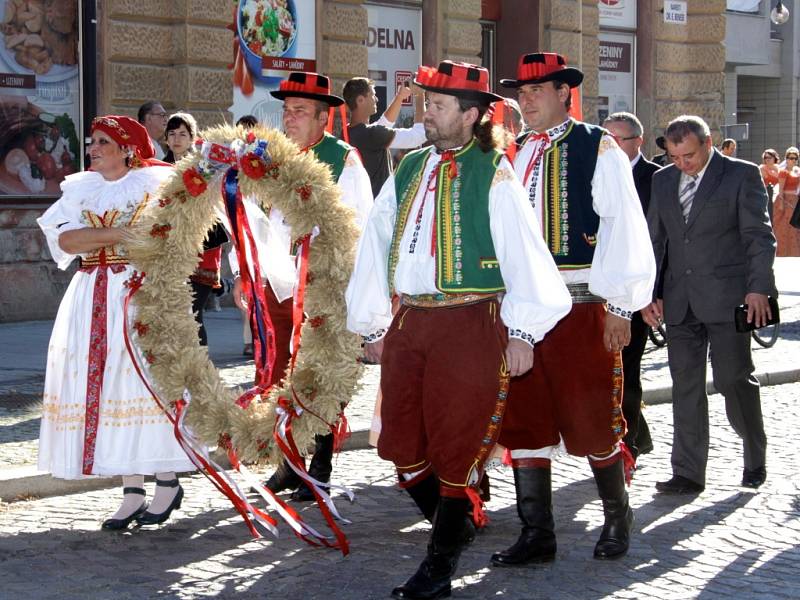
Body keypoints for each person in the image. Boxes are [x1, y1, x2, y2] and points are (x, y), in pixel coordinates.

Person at [346, 59, 571, 600]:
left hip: (473, 322)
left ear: (471, 115)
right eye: (427, 103)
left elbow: (525, 253)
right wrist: (372, 322)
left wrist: (523, 332)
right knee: (400, 441)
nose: (428, 113)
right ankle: (459, 521)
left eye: (439, 105)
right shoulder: (409, 167)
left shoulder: (494, 172)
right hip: (410, 321)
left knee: (457, 446)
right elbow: (375, 243)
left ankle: (438, 566)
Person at [492, 52, 655, 567]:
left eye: (538, 89)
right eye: (522, 90)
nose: (527, 98)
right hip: (520, 310)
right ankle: (537, 532)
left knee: (592, 418)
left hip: (581, 304)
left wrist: (622, 307)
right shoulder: (510, 153)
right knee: (525, 419)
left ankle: (616, 515)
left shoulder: (596, 146)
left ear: (566, 92)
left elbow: (624, 225)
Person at [37, 116, 193, 530]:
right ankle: (132, 490)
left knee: (141, 380)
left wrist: (101, 235)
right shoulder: (80, 188)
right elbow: (67, 242)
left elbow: (163, 237)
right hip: (90, 292)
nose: (93, 148)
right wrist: (120, 232)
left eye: (102, 142)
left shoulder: (153, 185)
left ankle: (166, 479)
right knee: (104, 385)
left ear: (126, 148)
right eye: (92, 142)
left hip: (136, 290)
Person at [235, 72, 372, 502]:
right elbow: (254, 220)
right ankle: (288, 463)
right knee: (278, 373)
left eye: (298, 112)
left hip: (321, 287)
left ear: (321, 117)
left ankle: (321, 464)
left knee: (321, 375)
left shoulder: (342, 160)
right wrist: (246, 271)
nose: (289, 119)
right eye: (286, 111)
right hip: (276, 284)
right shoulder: (273, 159)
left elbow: (360, 227)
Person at [642, 115, 776, 494]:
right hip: (680, 301)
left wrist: (758, 289)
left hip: (731, 299)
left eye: (688, 155)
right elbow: (656, 240)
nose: (682, 164)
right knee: (685, 385)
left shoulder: (741, 175)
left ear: (708, 142)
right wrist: (648, 293)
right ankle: (687, 472)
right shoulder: (662, 180)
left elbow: (759, 237)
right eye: (674, 157)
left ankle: (755, 455)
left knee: (734, 380)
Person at [602, 111, 660, 463]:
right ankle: (637, 432)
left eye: (617, 140)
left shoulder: (655, 178)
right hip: (601, 291)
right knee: (604, 371)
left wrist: (650, 294)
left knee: (628, 370)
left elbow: (658, 239)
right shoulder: (596, 172)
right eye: (604, 139)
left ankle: (629, 446)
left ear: (638, 141)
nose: (609, 147)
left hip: (637, 292)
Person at [163, 111, 228, 346]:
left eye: (183, 133)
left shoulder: (205, 168)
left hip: (202, 249)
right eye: (172, 133)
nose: (177, 139)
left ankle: (199, 367)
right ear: (166, 139)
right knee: (173, 313)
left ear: (192, 138)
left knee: (193, 312)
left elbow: (215, 208)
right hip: (170, 249)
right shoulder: (159, 169)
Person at [343, 77, 427, 196]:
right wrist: (420, 95)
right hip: (377, 208)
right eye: (372, 95)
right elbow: (419, 136)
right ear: (360, 100)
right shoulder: (372, 134)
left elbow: (383, 124)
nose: (376, 99)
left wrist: (400, 96)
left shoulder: (347, 132)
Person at [775, 146, 800, 256]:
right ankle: (784, 252)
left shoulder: (797, 171)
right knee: (786, 227)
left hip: (795, 200)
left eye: (795, 158)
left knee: (795, 228)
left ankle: (795, 252)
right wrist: (781, 204)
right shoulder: (783, 172)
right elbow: (780, 190)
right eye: (790, 158)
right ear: (786, 158)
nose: (793, 160)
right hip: (785, 201)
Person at [760, 148, 780, 216]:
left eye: (770, 157)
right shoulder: (762, 168)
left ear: (775, 158)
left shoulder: (779, 168)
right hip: (766, 197)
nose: (767, 159)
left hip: (778, 197)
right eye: (765, 157)